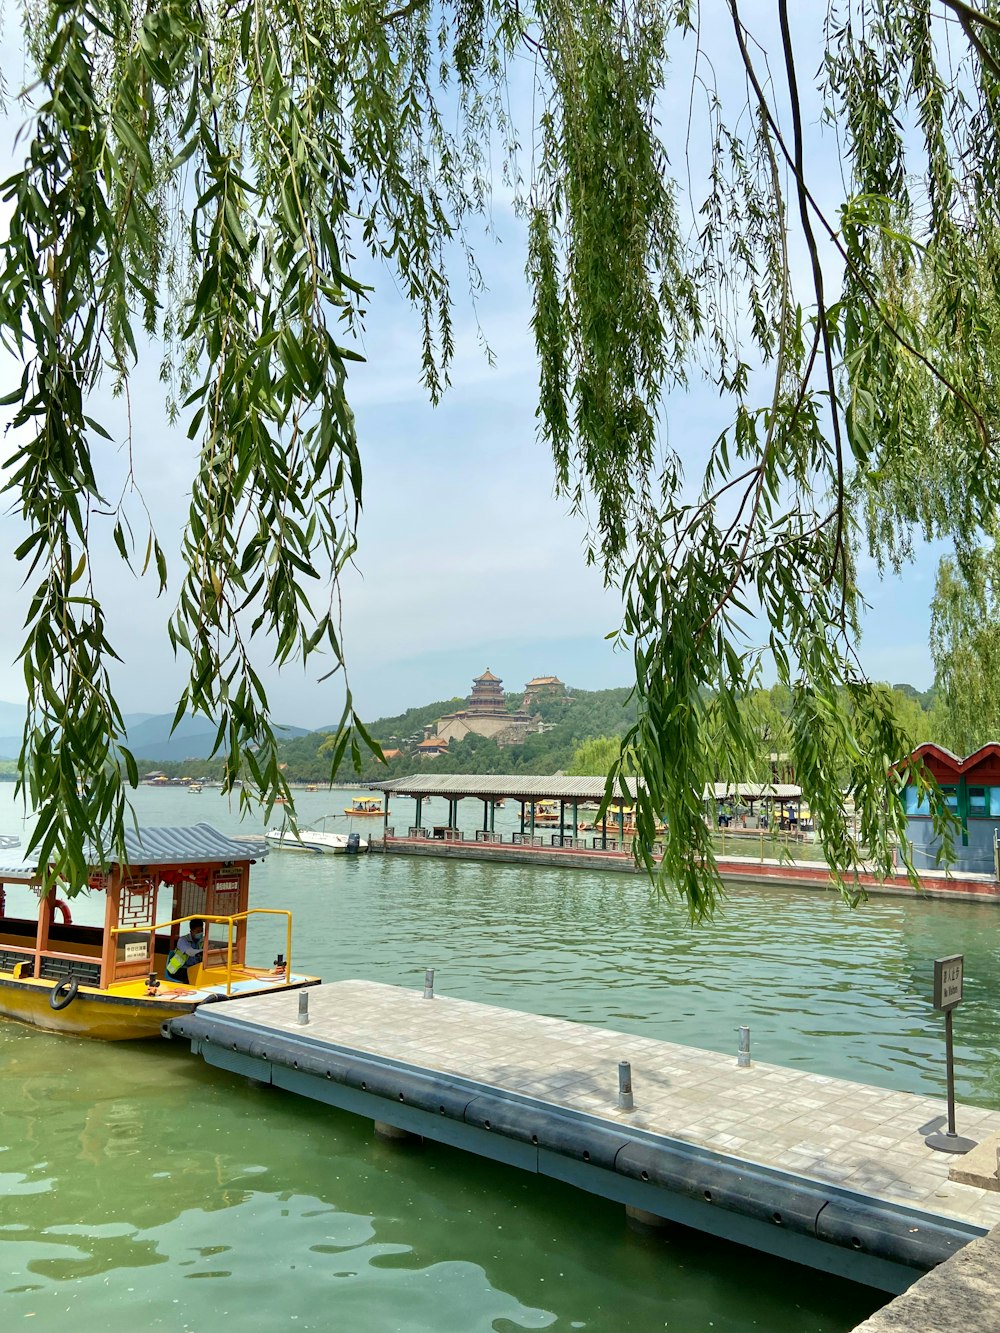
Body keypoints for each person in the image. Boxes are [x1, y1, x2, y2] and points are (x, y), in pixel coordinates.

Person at [166, 919, 205, 985]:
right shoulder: (182, 940)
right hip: (178, 969)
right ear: (191, 931)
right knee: (194, 977)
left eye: (201, 931)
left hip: (192, 969)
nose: (200, 933)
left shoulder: (202, 941)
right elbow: (190, 952)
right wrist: (203, 951)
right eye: (198, 931)